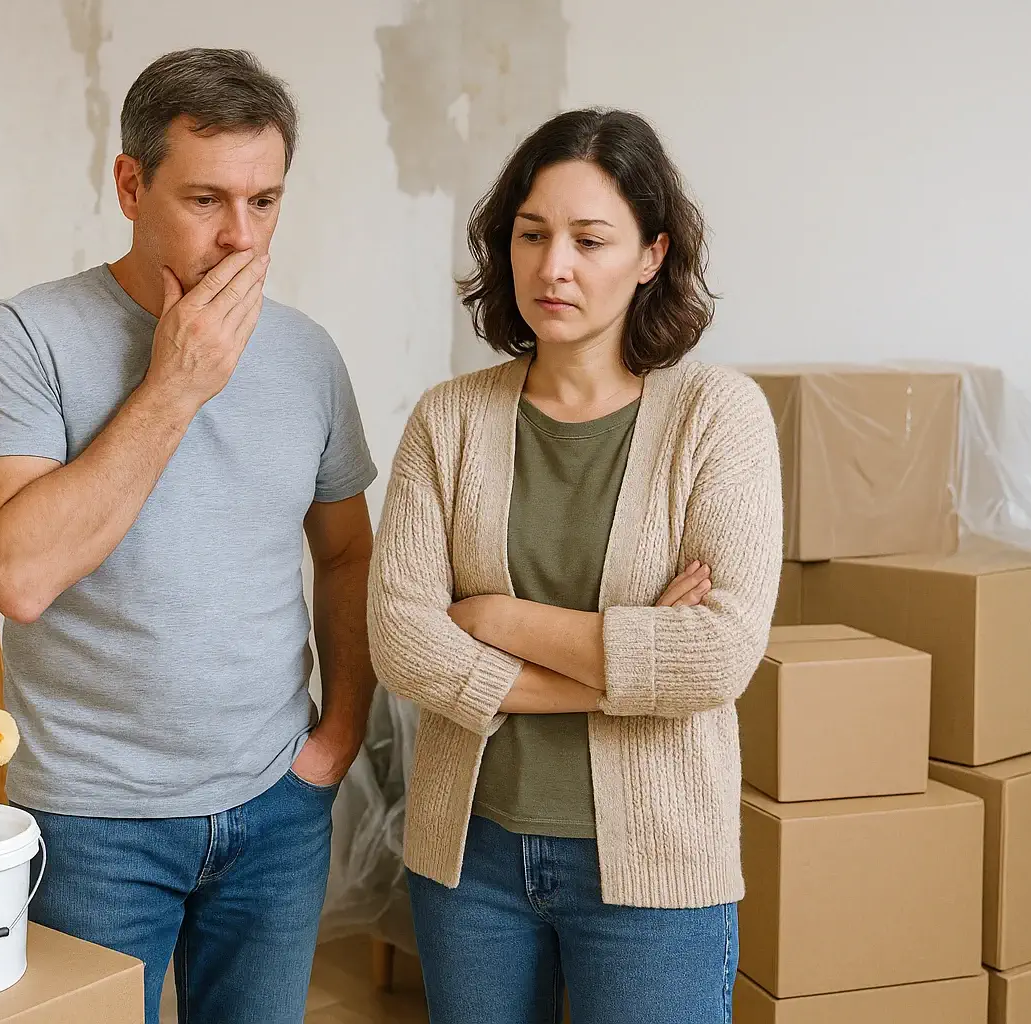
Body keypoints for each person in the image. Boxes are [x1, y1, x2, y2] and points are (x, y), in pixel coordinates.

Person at [0, 48, 377, 1024]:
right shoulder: (26, 337)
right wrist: (175, 384)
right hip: (93, 820)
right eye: (206, 200)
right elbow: (19, 575)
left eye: (265, 202)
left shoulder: (309, 355)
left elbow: (349, 551)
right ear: (130, 184)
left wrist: (341, 729)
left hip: (277, 806)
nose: (241, 238)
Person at [367, 107, 782, 1024]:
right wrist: (614, 669)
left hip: (656, 865)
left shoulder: (719, 416)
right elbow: (400, 642)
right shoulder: (449, 419)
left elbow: (715, 657)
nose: (553, 267)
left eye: (590, 240)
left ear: (650, 255)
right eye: (531, 234)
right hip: (469, 854)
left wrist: (495, 618)